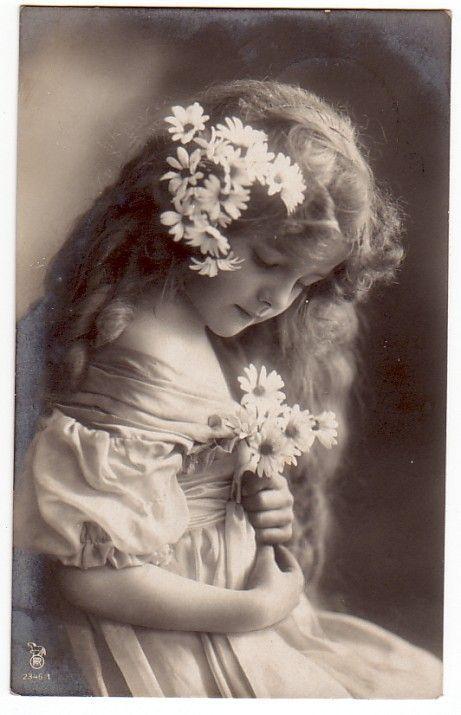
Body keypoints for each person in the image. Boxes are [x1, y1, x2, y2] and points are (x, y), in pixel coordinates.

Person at [13, 79, 442, 697]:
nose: (278, 299)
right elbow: (89, 576)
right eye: (269, 263)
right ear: (200, 218)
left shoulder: (191, 324)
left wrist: (253, 500)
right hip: (171, 644)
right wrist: (254, 609)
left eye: (302, 283)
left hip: (225, 613)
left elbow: (182, 486)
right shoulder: (142, 348)